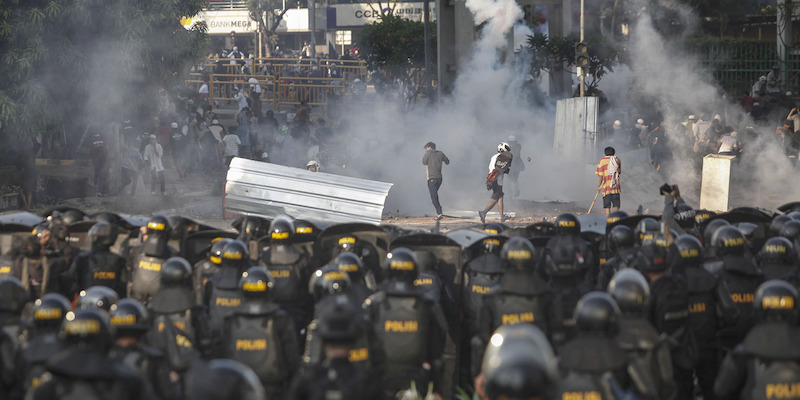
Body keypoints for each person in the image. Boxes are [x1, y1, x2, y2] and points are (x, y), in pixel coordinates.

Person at [479, 142, 513, 224]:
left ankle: (502, 217)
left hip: (493, 179)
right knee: (495, 199)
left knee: (500, 197)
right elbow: (500, 168)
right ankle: (483, 212)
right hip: (497, 180)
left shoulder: (494, 156)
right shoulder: (501, 157)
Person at [422, 142, 450, 220]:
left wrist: (427, 153)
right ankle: (438, 210)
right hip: (439, 178)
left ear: (429, 147)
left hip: (431, 178)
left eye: (427, 148)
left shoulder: (428, 153)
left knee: (433, 196)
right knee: (434, 195)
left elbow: (424, 162)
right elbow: (447, 162)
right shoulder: (440, 153)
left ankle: (439, 212)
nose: (426, 149)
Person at [595, 146, 622, 217]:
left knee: (607, 207)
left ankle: (608, 221)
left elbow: (601, 175)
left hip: (606, 188)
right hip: (615, 187)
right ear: (614, 153)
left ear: (605, 153)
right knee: (616, 205)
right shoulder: (617, 159)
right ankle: (615, 220)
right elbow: (619, 172)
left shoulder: (602, 161)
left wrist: (599, 185)